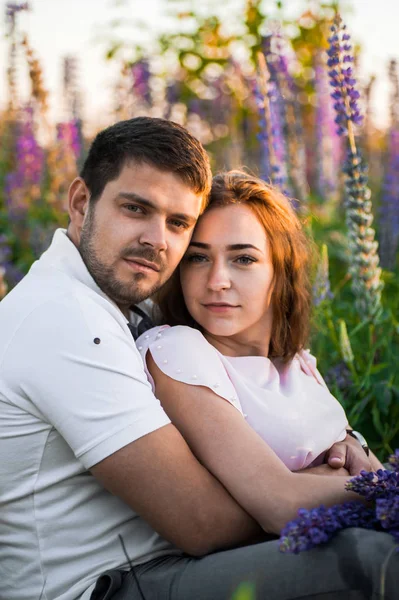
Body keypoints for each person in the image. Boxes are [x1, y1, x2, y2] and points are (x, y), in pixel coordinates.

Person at [0, 118, 396, 600]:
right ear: (82, 203)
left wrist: (343, 451)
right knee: (366, 563)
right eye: (135, 208)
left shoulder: (119, 299)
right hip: (101, 586)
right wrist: (314, 486)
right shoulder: (64, 318)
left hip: (160, 566)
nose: (157, 241)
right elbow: (204, 524)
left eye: (178, 223)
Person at [137, 169, 384, 535]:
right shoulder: (178, 352)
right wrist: (369, 489)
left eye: (243, 259)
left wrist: (351, 451)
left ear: (280, 270)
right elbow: (280, 505)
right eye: (198, 258)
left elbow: (371, 470)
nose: (217, 280)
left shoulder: (298, 362)